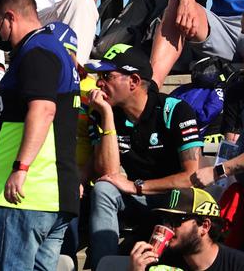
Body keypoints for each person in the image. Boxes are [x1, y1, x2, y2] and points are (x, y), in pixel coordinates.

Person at [0, 0, 80, 271]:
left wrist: (21, 169)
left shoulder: (38, 51)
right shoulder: (43, 49)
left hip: (22, 198)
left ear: (10, 17)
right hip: (42, 197)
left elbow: (44, 110)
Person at [84, 44, 204, 269]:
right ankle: (104, 266)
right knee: (103, 189)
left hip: (175, 200)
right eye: (99, 76)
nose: (99, 83)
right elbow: (108, 174)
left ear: (134, 81)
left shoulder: (175, 111)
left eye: (107, 76)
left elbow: (192, 177)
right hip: (138, 200)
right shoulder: (103, 112)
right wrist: (107, 116)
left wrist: (137, 186)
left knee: (181, 194)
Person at [129, 188, 244, 271]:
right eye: (166, 219)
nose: (168, 227)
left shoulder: (237, 264)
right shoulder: (159, 262)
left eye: (176, 220)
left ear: (205, 226)